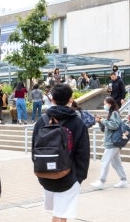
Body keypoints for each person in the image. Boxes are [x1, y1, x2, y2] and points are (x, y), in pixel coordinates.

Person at [32, 84, 90, 222]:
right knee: (61, 214)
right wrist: (79, 177)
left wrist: (39, 169)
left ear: (52, 99)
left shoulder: (42, 121)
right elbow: (83, 152)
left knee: (58, 213)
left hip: (45, 174)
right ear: (71, 99)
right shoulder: (77, 122)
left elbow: (34, 148)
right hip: (68, 175)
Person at [91, 96, 128, 190]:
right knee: (116, 163)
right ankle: (123, 180)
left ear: (110, 104)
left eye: (105, 103)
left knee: (104, 161)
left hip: (112, 143)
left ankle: (101, 181)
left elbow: (114, 125)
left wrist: (103, 120)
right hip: (113, 142)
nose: (104, 105)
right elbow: (106, 128)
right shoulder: (111, 114)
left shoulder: (114, 113)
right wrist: (100, 121)